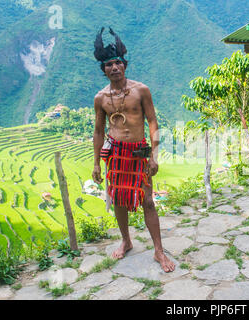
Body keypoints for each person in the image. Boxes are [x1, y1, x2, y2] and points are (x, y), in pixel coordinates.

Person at [92, 27, 175, 272]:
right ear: (104, 70)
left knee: (148, 201)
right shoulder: (101, 98)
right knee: (117, 198)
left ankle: (158, 250)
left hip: (139, 153)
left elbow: (152, 121)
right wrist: (96, 162)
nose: (114, 67)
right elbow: (98, 131)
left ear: (125, 65)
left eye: (118, 62)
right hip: (116, 154)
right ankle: (126, 240)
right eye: (109, 64)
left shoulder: (141, 90)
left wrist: (154, 155)